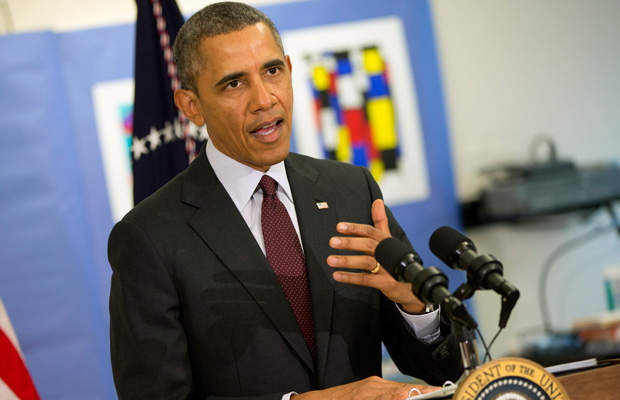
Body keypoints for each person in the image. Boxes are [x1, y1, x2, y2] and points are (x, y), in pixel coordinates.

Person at [108, 2, 463, 399]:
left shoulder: (351, 190)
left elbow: (444, 372)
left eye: (272, 71)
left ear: (291, 71)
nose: (264, 99)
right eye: (234, 84)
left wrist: (417, 308)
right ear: (192, 106)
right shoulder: (149, 237)